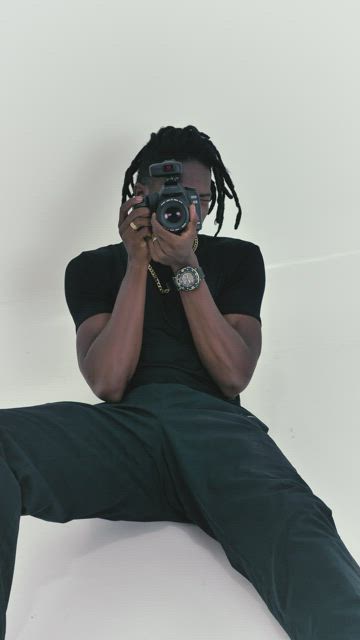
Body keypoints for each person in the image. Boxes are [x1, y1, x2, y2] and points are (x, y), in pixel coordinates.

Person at [0, 125, 359, 640]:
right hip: (127, 433)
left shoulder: (237, 259)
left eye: (197, 198)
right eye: (171, 196)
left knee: (303, 538)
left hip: (221, 437)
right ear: (139, 197)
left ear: (210, 202)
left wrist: (187, 267)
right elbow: (109, 382)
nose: (185, 209)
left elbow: (233, 373)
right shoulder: (90, 269)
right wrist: (136, 264)